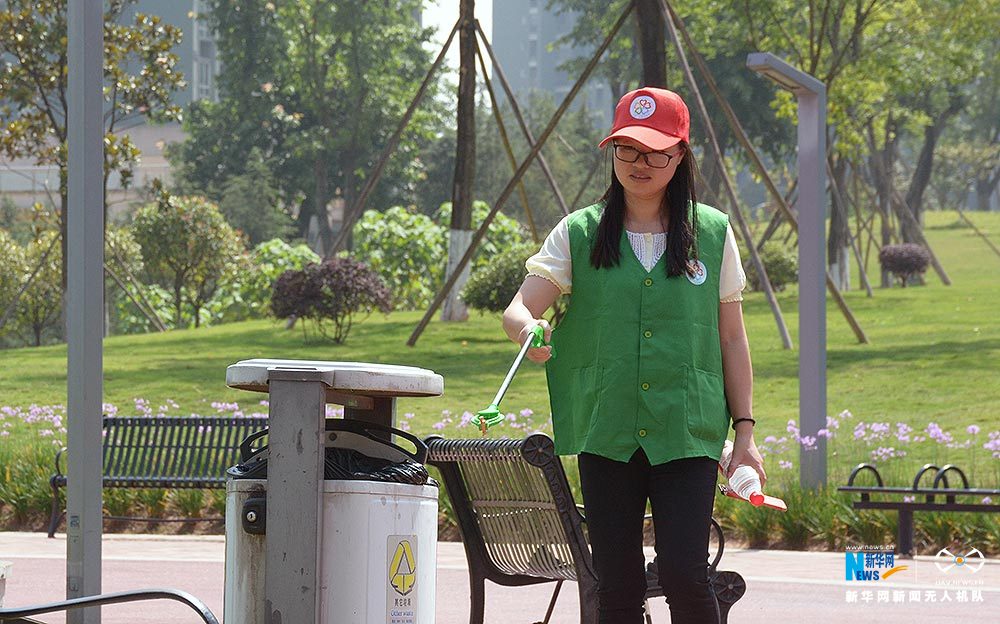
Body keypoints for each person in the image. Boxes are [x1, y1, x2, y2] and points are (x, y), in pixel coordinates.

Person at [501, 87, 766, 624]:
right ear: (613, 153)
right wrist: (529, 328)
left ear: (681, 156)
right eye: (627, 149)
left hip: (687, 429)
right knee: (616, 583)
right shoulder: (578, 232)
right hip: (607, 429)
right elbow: (518, 308)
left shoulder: (712, 234)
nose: (639, 164)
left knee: (686, 576)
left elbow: (732, 339)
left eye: (654, 152)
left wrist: (745, 435)